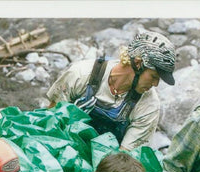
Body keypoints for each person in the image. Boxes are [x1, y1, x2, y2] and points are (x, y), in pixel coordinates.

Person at [46, 31, 176, 151]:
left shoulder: (149, 106)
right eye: (154, 77)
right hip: (63, 146)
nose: (155, 84)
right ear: (138, 64)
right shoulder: (81, 74)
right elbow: (51, 118)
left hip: (108, 162)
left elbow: (125, 157)